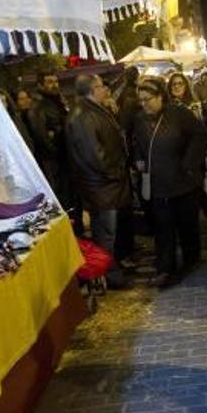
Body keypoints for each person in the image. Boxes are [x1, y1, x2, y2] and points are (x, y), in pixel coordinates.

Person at [133, 78, 207, 288]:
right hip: (157, 183)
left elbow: (200, 135)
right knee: (163, 228)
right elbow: (137, 143)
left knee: (187, 225)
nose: (144, 104)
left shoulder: (179, 114)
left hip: (182, 182)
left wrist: (189, 162)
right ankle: (165, 268)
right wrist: (138, 159)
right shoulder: (139, 119)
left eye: (148, 99)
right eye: (141, 100)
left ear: (160, 97)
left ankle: (191, 259)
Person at [65, 74, 135, 288]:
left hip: (108, 185)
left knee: (110, 233)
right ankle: (111, 275)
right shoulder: (83, 116)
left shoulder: (94, 111)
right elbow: (94, 155)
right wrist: (114, 172)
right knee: (105, 235)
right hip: (102, 187)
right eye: (102, 86)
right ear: (92, 89)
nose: (106, 89)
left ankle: (115, 269)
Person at [167, 71, 207, 239]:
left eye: (180, 83)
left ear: (186, 85)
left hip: (194, 157)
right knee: (187, 194)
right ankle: (191, 229)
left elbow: (204, 131)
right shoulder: (168, 108)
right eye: (174, 84)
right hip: (174, 156)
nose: (177, 87)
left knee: (197, 192)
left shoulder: (196, 106)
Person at [26, 72, 77, 221]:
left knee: (71, 199)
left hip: (66, 160)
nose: (54, 85)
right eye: (49, 82)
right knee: (62, 199)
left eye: (55, 81)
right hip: (54, 164)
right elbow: (42, 137)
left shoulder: (60, 102)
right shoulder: (39, 107)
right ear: (41, 85)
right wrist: (56, 150)